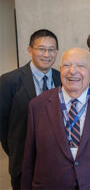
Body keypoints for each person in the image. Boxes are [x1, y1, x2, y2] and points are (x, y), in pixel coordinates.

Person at [21, 48, 90, 189]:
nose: (72, 71)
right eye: (67, 65)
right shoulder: (38, 105)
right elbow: (29, 159)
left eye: (81, 66)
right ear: (61, 70)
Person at [0, 29, 60, 190]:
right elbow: (3, 125)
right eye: (41, 49)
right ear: (30, 50)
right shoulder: (9, 81)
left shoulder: (61, 78)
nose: (47, 54)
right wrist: (16, 152)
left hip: (56, 162)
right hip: (23, 161)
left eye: (52, 49)